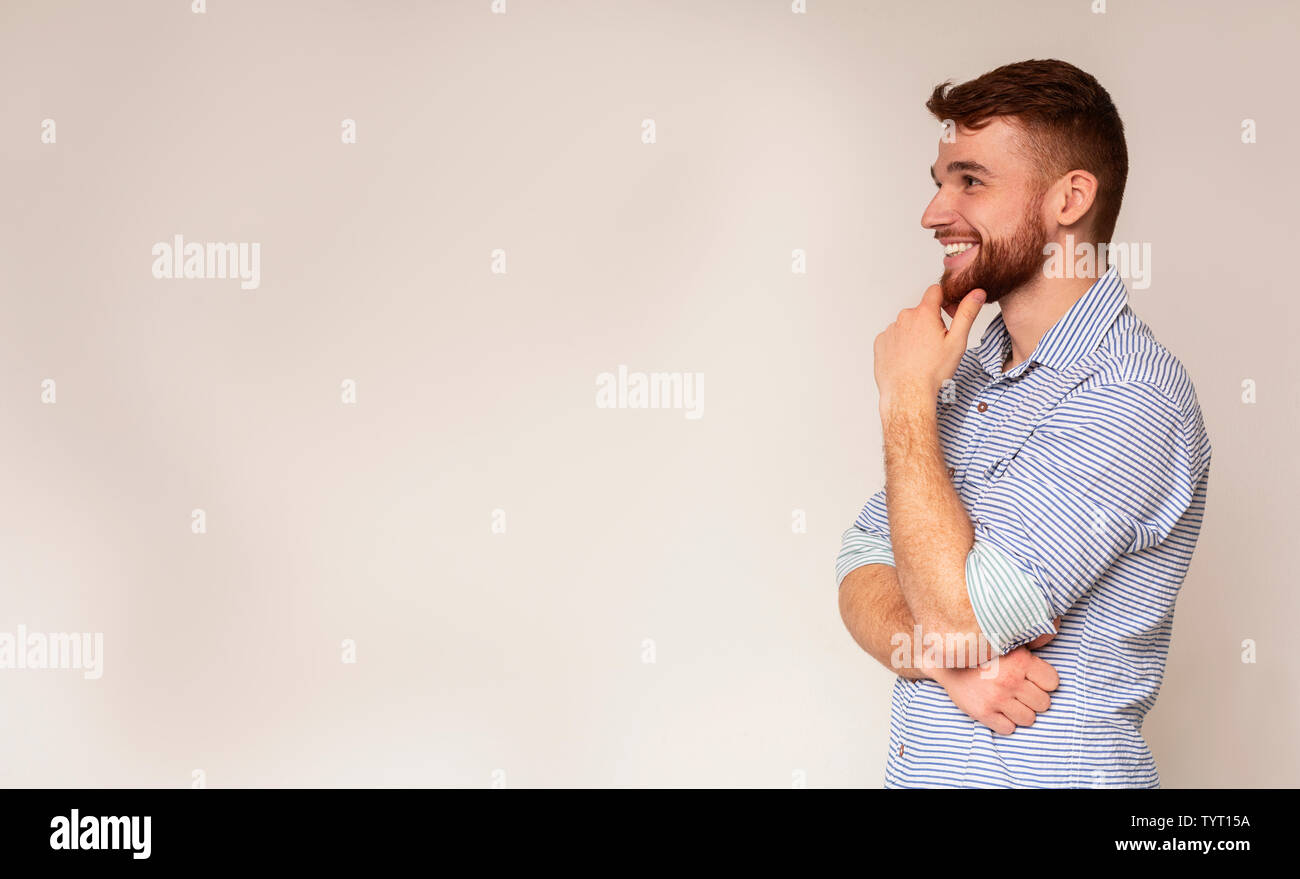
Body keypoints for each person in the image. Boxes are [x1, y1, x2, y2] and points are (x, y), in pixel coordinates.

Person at [836, 59, 1212, 788]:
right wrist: (948, 665)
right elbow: (858, 568)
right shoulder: (970, 371)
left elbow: (960, 620)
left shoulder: (1133, 392)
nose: (934, 212)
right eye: (940, 179)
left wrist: (905, 398)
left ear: (1070, 198)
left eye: (970, 181)